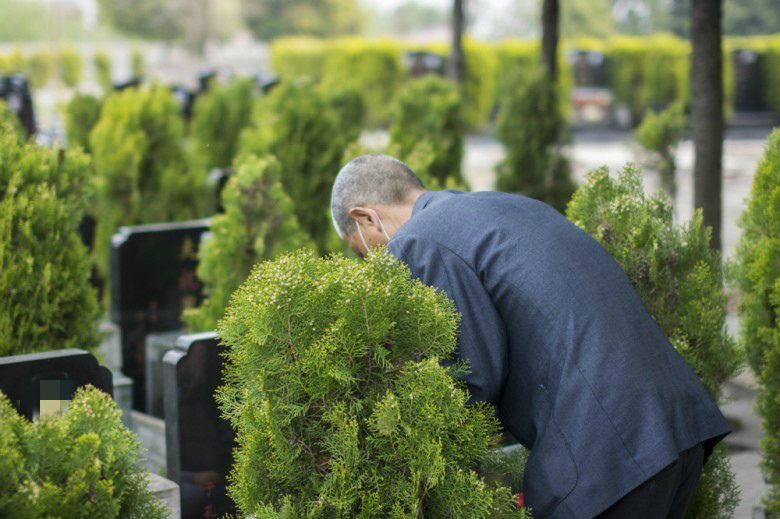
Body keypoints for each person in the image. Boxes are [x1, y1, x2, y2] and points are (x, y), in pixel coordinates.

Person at [329, 154, 730, 519]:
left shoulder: (416, 241)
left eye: (364, 253)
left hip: (606, 454)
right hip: (676, 428)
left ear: (366, 218)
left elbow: (470, 377)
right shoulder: (508, 205)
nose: (374, 264)